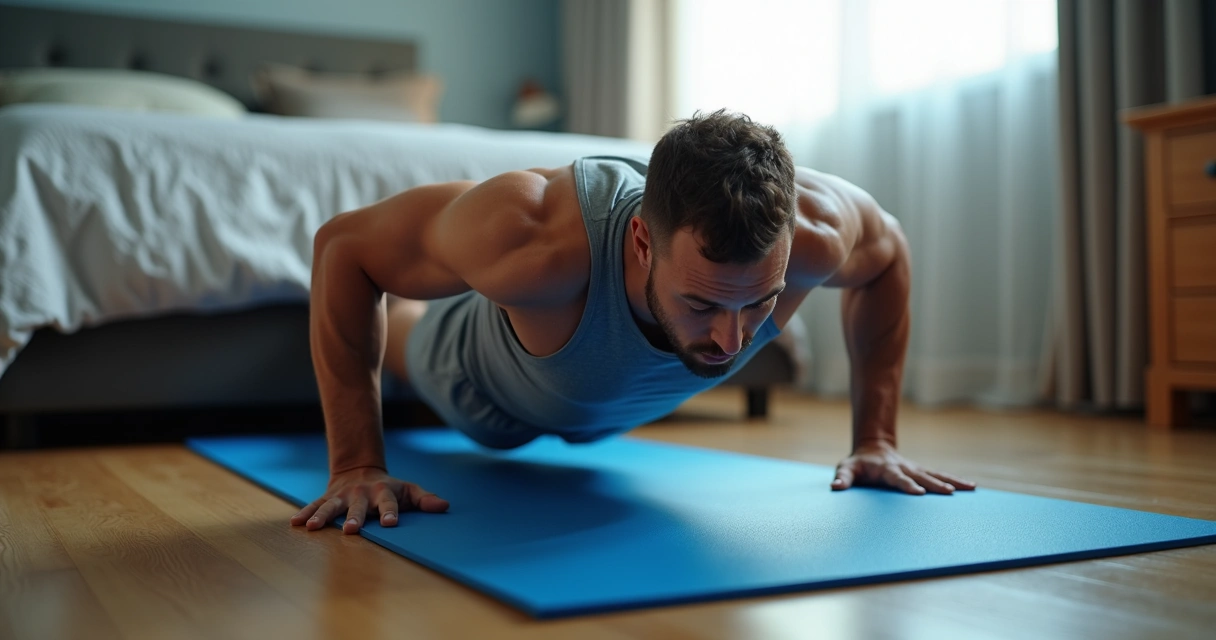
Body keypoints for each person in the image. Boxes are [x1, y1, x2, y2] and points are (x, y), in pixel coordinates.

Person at [292, 110, 977, 535]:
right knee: (411, 333)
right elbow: (344, 247)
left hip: (603, 408)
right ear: (644, 241)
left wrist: (876, 439)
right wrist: (356, 463)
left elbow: (888, 259)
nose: (732, 343)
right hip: (480, 389)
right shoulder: (530, 238)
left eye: (758, 304)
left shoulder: (818, 232)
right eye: (703, 304)